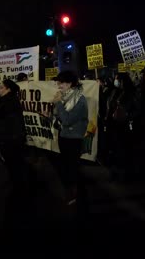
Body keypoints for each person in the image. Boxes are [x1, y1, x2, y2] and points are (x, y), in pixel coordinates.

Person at [0, 79, 27, 208]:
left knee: (14, 163)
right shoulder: (7, 99)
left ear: (8, 89)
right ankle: (18, 185)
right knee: (13, 163)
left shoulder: (9, 100)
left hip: (11, 139)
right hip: (9, 138)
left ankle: (20, 190)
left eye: (2, 87)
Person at [52, 71, 88, 205]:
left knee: (72, 168)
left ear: (70, 84)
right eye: (58, 82)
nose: (58, 85)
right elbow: (60, 118)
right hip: (65, 136)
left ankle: (75, 195)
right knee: (66, 166)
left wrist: (58, 103)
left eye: (61, 82)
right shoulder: (65, 98)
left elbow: (67, 120)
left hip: (73, 139)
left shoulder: (79, 100)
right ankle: (72, 191)